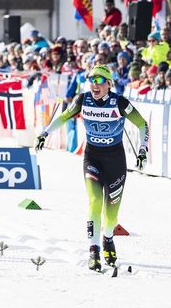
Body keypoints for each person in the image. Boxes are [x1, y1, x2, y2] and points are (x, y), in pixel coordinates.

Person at [35, 65, 149, 271]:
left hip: (115, 160)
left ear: (109, 84)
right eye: (92, 80)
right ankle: (94, 250)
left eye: (99, 81)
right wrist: (45, 132)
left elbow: (142, 124)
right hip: (93, 157)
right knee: (95, 201)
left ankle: (108, 238)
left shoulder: (120, 102)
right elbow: (63, 117)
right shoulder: (82, 100)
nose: (94, 85)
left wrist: (142, 149)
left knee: (112, 215)